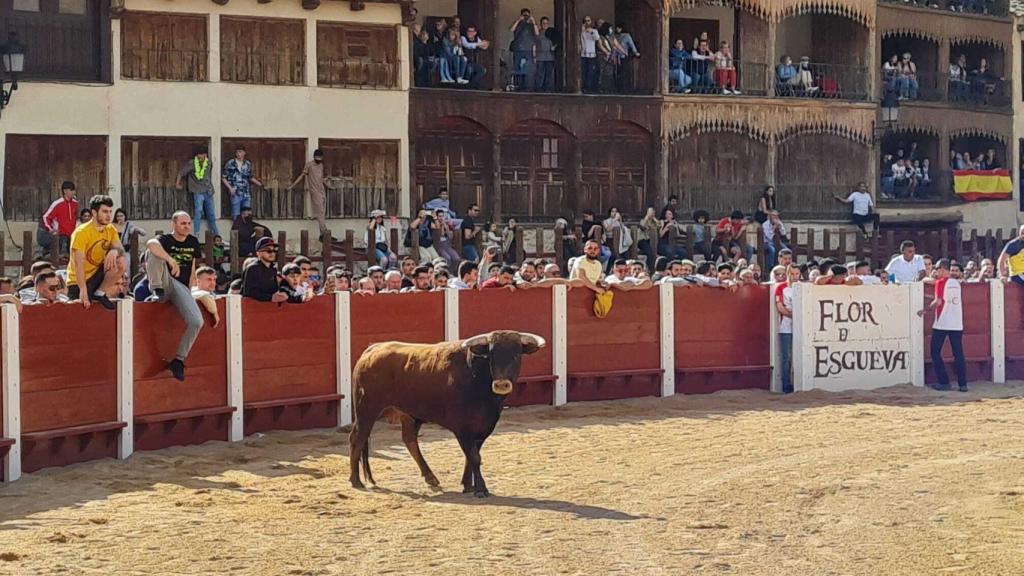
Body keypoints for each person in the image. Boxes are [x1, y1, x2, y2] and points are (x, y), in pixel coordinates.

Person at [143, 211, 205, 381]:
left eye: (188, 223)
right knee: (154, 253)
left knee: (197, 321)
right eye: (183, 223)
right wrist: (170, 260)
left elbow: (192, 266)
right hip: (165, 281)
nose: (186, 226)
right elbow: (150, 243)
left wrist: (191, 288)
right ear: (173, 224)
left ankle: (179, 359)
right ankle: (157, 290)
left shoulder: (192, 241)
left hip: (182, 287)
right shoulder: (165, 240)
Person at [67, 195, 128, 310]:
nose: (109, 215)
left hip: (97, 275)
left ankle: (100, 293)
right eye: (105, 211)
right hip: (79, 281)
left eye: (110, 211)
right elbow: (78, 264)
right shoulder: (81, 232)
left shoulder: (110, 229)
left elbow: (121, 250)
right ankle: (89, 293)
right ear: (94, 213)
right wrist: (83, 290)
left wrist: (114, 250)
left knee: (121, 261)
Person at [919, 259, 967, 392]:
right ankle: (963, 384)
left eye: (937, 269)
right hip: (957, 323)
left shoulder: (941, 282)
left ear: (942, 269)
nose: (936, 271)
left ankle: (944, 382)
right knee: (958, 353)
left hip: (942, 322)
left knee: (935, 351)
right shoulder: (956, 283)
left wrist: (925, 309)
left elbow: (938, 302)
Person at [176, 145, 219, 237]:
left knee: (211, 214)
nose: (200, 156)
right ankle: (196, 235)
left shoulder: (209, 163)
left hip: (208, 191)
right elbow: (181, 173)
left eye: (202, 154)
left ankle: (216, 236)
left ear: (205, 155)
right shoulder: (192, 163)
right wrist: (177, 183)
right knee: (198, 211)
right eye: (198, 154)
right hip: (197, 191)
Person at [287, 149, 331, 240]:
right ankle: (325, 232)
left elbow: (321, 178)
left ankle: (322, 233)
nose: (319, 159)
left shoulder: (321, 165)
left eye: (320, 157)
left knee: (322, 213)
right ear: (314, 157)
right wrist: (292, 185)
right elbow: (302, 176)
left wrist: (328, 186)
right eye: (317, 157)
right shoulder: (309, 165)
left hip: (322, 190)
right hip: (314, 191)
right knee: (320, 212)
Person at [241, 237, 289, 303]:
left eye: (274, 251)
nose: (272, 253)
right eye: (268, 251)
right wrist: (270, 297)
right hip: (253, 308)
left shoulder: (273, 269)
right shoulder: (253, 268)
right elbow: (249, 292)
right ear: (258, 253)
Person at [38, 180, 78, 258]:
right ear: (65, 191)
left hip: (71, 236)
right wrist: (50, 229)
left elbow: (76, 218)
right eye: (72, 190)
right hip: (60, 236)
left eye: (74, 190)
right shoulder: (57, 204)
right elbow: (46, 217)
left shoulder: (75, 204)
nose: (74, 192)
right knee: (57, 258)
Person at [222, 144, 263, 219]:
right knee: (236, 216)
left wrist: (259, 184)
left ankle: (245, 230)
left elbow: (250, 177)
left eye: (240, 152)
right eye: (237, 152)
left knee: (247, 215)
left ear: (244, 153)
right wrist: (230, 188)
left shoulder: (247, 164)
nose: (238, 154)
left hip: (246, 193)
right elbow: (224, 177)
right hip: (235, 192)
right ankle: (237, 230)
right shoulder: (230, 163)